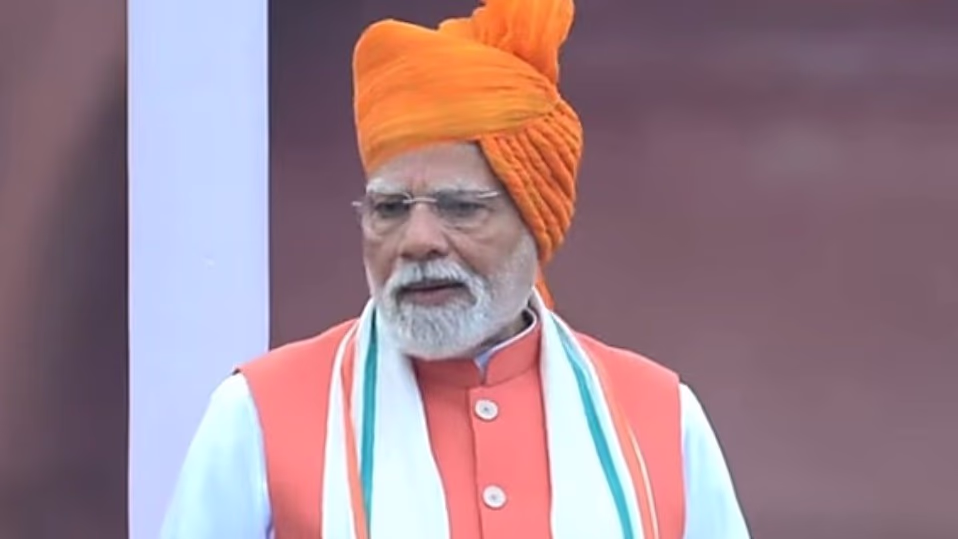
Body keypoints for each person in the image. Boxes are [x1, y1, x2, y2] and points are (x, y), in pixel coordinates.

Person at [161, 0, 750, 537]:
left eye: (461, 207)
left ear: (535, 222)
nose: (418, 241)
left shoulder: (661, 419)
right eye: (390, 208)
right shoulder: (258, 413)